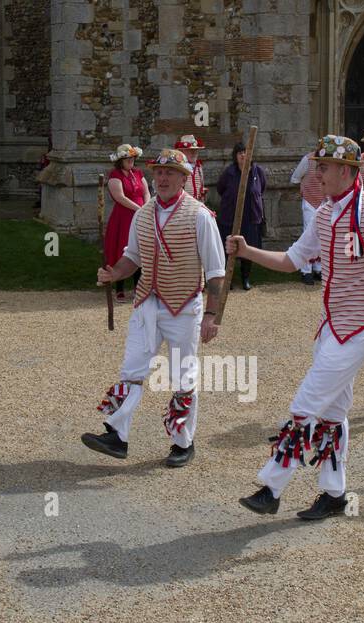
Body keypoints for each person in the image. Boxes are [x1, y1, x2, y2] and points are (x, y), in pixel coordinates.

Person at [227, 135, 364, 519]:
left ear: (346, 170)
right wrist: (246, 251)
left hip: (357, 330)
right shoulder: (324, 213)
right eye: (317, 165)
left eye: (323, 167)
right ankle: (335, 493)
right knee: (333, 414)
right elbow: (293, 260)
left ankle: (271, 487)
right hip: (328, 328)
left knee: (305, 404)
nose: (316, 172)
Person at [85, 149, 226, 468]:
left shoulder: (200, 215)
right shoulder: (143, 214)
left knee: (182, 375)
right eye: (159, 173)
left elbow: (217, 271)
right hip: (146, 302)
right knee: (132, 369)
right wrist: (114, 273)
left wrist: (212, 315)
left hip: (184, 305)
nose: (162, 178)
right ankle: (117, 436)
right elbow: (131, 256)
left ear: (183, 178)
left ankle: (182, 443)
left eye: (170, 173)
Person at [215, 140, 267, 291]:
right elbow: (220, 188)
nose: (243, 155)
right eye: (240, 152)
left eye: (246, 151)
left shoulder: (258, 172)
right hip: (230, 217)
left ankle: (245, 278)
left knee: (248, 249)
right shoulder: (229, 172)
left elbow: (261, 189)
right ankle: (228, 279)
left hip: (250, 218)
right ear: (235, 156)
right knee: (228, 249)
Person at [103, 143, 146, 302]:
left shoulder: (138, 173)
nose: (131, 162)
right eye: (128, 159)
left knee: (141, 248)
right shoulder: (115, 176)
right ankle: (119, 288)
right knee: (122, 248)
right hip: (124, 217)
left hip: (141, 215)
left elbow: (146, 191)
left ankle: (138, 286)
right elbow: (120, 197)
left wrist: (146, 208)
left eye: (133, 159)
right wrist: (138, 208)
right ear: (120, 161)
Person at [289, 146, 325, 285]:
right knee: (308, 235)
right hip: (310, 201)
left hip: (324, 200)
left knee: (323, 235)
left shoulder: (329, 161)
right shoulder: (308, 159)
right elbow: (295, 178)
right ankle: (306, 270)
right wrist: (304, 189)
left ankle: (318, 268)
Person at [176, 135, 207, 203]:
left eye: (196, 150)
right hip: (184, 204)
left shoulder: (199, 166)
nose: (194, 153)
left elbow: (201, 184)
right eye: (190, 150)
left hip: (198, 203)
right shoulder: (179, 167)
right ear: (182, 151)